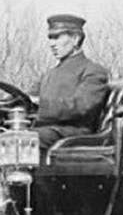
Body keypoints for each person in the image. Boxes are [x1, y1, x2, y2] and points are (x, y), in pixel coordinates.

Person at [30, 14, 110, 148]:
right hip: (45, 132)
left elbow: (82, 106)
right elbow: (27, 98)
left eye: (57, 37)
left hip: (75, 135)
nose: (52, 44)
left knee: (23, 138)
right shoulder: (47, 75)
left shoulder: (93, 71)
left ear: (75, 39)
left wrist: (41, 105)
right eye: (50, 38)